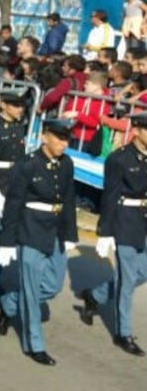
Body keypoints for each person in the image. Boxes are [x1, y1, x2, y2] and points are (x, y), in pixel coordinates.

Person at [0, 119, 78, 365]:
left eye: (67, 139)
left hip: (55, 230)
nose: (64, 144)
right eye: (59, 138)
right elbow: (13, 205)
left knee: (53, 285)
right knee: (31, 292)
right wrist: (7, 241)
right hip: (30, 230)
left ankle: (9, 304)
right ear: (45, 137)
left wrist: (71, 234)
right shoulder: (27, 164)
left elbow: (69, 200)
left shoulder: (66, 164)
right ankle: (34, 345)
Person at [78, 111, 147, 356]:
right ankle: (123, 333)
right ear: (137, 131)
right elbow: (109, 196)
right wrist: (105, 231)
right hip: (125, 221)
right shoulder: (120, 159)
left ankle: (94, 296)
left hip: (144, 221)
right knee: (127, 280)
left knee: (142, 273)